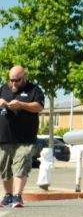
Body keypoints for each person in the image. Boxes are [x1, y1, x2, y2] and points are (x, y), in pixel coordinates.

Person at [0, 66, 45, 208]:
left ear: (24, 77)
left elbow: (39, 107)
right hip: (4, 137)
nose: (13, 83)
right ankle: (8, 195)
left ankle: (17, 196)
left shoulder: (34, 89)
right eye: (11, 80)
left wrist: (21, 105)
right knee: (4, 168)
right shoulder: (3, 89)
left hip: (25, 138)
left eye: (17, 80)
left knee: (21, 164)